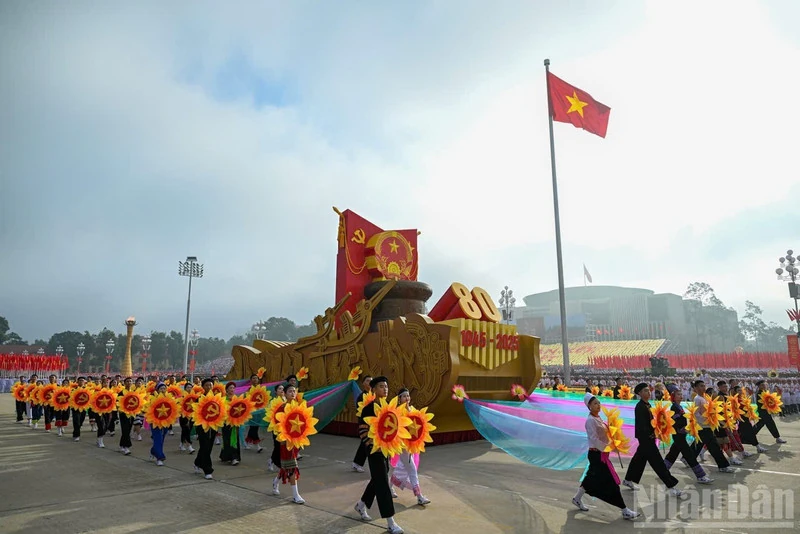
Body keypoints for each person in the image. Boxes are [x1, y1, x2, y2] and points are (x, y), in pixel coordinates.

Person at [573, 393, 640, 520]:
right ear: (589, 406)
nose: (598, 405)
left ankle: (576, 498)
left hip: (601, 454)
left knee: (590, 478)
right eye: (594, 404)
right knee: (611, 482)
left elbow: (606, 435)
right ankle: (624, 509)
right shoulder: (590, 421)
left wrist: (614, 441)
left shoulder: (599, 418)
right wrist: (609, 447)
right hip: (596, 455)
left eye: (598, 403)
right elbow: (594, 439)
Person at [354, 376, 404, 534]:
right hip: (373, 450)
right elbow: (362, 430)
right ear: (373, 389)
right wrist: (371, 445)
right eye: (381, 386)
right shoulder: (368, 409)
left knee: (378, 478)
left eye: (386, 386)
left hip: (385, 450)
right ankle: (390, 522)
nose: (385, 389)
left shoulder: (389, 407)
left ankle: (361, 505)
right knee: (383, 482)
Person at [622, 383, 684, 497]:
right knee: (658, 463)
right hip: (646, 439)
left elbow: (652, 421)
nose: (648, 392)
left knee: (638, 460)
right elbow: (642, 425)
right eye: (645, 391)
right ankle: (671, 486)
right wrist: (651, 433)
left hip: (648, 437)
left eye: (648, 390)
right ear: (639, 393)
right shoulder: (640, 407)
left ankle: (628, 479)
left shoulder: (648, 405)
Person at [662, 385, 713, 484]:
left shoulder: (679, 406)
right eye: (678, 395)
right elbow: (674, 422)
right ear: (673, 396)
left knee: (672, 454)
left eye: (681, 394)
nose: (681, 396)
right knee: (689, 456)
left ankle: (663, 471)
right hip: (678, 436)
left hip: (680, 435)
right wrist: (683, 429)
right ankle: (701, 476)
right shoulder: (674, 407)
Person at [389, 388, 430, 505]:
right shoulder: (397, 411)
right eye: (404, 396)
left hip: (410, 446)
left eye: (408, 396)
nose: (407, 398)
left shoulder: (413, 410)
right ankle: (419, 496)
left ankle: (390, 487)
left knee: (397, 467)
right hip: (401, 445)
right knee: (411, 468)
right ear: (399, 399)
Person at [689, 380, 735, 473]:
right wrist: (706, 421)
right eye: (701, 386)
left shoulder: (704, 398)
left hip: (707, 426)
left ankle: (687, 458)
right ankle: (723, 466)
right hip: (704, 426)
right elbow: (698, 414)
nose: (703, 387)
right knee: (714, 447)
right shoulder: (698, 399)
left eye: (704, 385)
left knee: (699, 444)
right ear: (696, 388)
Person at [271, 383, 304, 504]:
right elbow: (277, 424)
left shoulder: (298, 407)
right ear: (284, 393)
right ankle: (296, 495)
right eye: (290, 391)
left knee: (287, 465)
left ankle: (275, 481)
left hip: (295, 441)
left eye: (294, 391)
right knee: (292, 466)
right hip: (285, 442)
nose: (293, 393)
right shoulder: (281, 408)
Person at [194, 378, 216, 480]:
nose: (209, 387)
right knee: (205, 445)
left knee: (208, 447)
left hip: (213, 426)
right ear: (203, 387)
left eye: (210, 385)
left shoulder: (217, 399)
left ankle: (198, 462)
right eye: (206, 385)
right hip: (202, 426)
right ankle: (208, 470)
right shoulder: (199, 399)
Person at [753, 380, 788, 444]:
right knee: (770, 424)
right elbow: (765, 403)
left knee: (760, 424)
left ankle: (750, 435)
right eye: (762, 385)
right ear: (759, 386)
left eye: (764, 385)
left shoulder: (765, 392)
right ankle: (777, 438)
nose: (764, 386)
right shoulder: (759, 393)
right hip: (763, 412)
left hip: (765, 411)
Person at [352, 375, 373, 473]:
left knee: (365, 443)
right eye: (367, 381)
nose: (369, 383)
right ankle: (357, 463)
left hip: (372, 424)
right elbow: (360, 411)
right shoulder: (361, 396)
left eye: (371, 381)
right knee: (365, 443)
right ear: (363, 383)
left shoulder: (374, 395)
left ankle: (357, 463)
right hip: (364, 423)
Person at [219, 382, 241, 466]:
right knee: (227, 439)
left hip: (235, 422)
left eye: (233, 388)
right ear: (226, 389)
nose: (232, 389)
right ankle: (226, 456)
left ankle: (234, 457)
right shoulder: (223, 399)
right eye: (230, 388)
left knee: (234, 439)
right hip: (226, 422)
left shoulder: (237, 399)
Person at [149, 383, 169, 466]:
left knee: (162, 438)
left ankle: (153, 451)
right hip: (155, 422)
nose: (163, 390)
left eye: (164, 388)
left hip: (166, 422)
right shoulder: (152, 398)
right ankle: (160, 457)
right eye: (161, 389)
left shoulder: (168, 398)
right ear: (157, 390)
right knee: (158, 438)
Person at [268, 383, 286, 472]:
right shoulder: (273, 402)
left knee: (282, 446)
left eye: (283, 389)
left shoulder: (286, 400)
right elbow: (271, 415)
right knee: (277, 445)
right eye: (279, 389)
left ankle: (272, 460)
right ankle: (275, 462)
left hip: (285, 427)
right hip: (276, 427)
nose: (281, 390)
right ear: (276, 391)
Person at [244, 374, 264, 453]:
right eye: (253, 378)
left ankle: (247, 441)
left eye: (256, 378)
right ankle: (257, 445)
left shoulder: (261, 390)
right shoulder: (249, 390)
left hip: (259, 411)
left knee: (255, 427)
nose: (255, 379)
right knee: (253, 427)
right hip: (252, 411)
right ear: (251, 380)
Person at [178, 382, 196, 453]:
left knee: (186, 430)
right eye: (188, 387)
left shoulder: (194, 397)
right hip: (183, 416)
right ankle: (189, 446)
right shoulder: (182, 396)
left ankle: (182, 444)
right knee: (186, 430)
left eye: (191, 387)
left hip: (191, 416)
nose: (189, 389)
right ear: (185, 388)